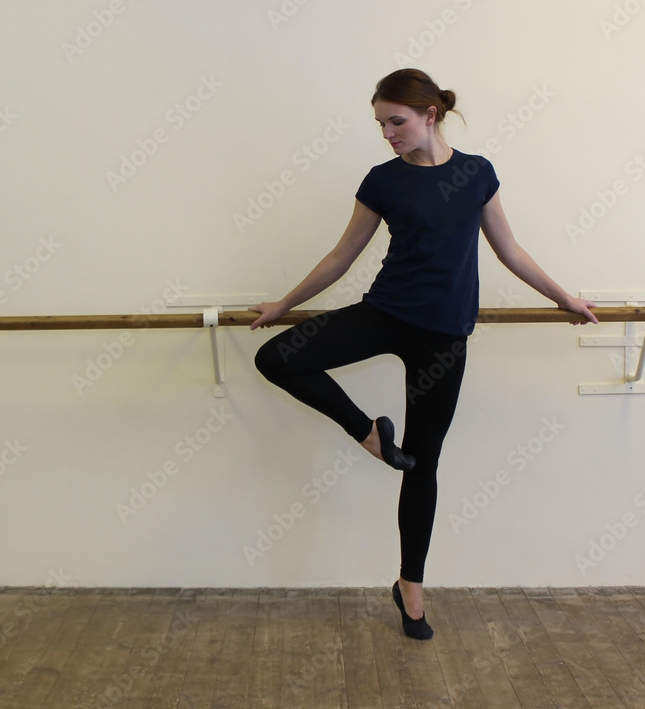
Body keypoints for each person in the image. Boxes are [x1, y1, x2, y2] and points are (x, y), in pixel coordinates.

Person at [249, 68, 598, 640]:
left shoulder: (475, 173)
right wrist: (286, 303)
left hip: (444, 338)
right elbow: (341, 256)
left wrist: (565, 298)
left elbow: (508, 249)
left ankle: (411, 587)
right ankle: (368, 434)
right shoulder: (382, 181)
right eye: (381, 124)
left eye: (397, 121)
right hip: (385, 314)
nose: (387, 133)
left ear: (429, 114)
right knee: (277, 357)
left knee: (424, 464)